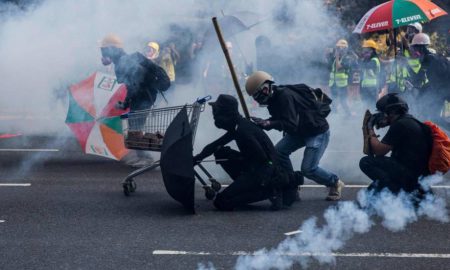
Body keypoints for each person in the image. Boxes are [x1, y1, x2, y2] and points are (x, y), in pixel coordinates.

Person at [245, 71, 344, 201]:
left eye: (258, 94)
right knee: (278, 153)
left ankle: (335, 182)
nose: (257, 99)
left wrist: (269, 123)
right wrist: (266, 122)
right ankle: (292, 184)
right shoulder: (273, 99)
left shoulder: (284, 96)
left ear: (265, 87)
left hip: (316, 131)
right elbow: (282, 119)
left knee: (308, 169)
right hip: (299, 131)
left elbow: (289, 124)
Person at [193, 95, 303, 211]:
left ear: (226, 113)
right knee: (221, 152)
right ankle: (249, 188)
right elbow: (215, 145)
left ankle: (271, 190)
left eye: (217, 112)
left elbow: (267, 160)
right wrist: (197, 158)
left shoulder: (243, 132)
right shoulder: (237, 126)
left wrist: (265, 182)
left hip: (262, 173)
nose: (215, 116)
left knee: (222, 202)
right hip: (254, 166)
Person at [100, 34, 170, 166]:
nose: (103, 54)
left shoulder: (122, 63)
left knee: (135, 127)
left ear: (112, 50)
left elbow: (134, 85)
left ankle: (147, 158)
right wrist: (127, 102)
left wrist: (126, 102)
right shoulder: (127, 59)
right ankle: (143, 156)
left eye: (104, 50)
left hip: (144, 97)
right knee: (135, 127)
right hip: (143, 96)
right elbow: (132, 84)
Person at [360, 93, 432, 194]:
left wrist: (370, 127)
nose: (381, 116)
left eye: (383, 112)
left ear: (392, 112)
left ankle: (395, 190)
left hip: (410, 175)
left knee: (366, 162)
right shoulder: (409, 122)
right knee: (370, 193)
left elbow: (379, 151)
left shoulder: (400, 125)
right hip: (418, 175)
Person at [409, 33, 450, 123]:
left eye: (415, 48)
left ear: (421, 47)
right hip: (441, 90)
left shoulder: (432, 60)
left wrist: (423, 91)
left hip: (444, 90)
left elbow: (437, 82)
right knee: (434, 117)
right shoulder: (428, 59)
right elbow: (420, 75)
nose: (414, 51)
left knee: (434, 117)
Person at [328, 39, 353, 116]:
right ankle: (335, 115)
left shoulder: (347, 58)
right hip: (333, 83)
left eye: (340, 48)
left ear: (345, 49)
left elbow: (338, 67)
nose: (338, 50)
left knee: (343, 101)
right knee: (333, 100)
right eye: (338, 48)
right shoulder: (336, 59)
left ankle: (348, 114)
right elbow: (330, 68)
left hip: (342, 84)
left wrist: (337, 56)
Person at [360, 39, 381, 107]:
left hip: (372, 87)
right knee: (365, 106)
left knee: (372, 106)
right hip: (365, 87)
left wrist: (363, 60)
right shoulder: (366, 60)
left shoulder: (374, 60)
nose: (364, 52)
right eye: (364, 50)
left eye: (366, 50)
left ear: (371, 51)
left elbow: (367, 66)